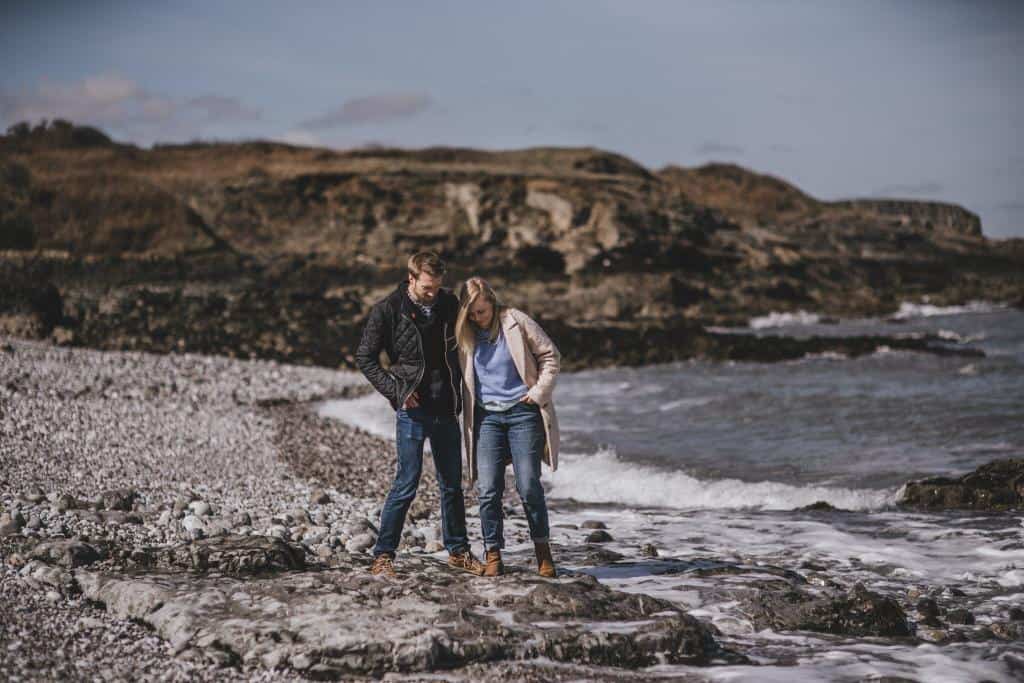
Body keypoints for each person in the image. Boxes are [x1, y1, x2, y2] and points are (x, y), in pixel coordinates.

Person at [355, 252, 484, 577]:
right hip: (412, 411)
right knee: (406, 483)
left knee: (451, 485)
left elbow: (477, 335)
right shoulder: (387, 309)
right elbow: (366, 358)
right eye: (427, 288)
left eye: (437, 287)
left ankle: (458, 552)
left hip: (446, 406)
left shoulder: (449, 303)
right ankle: (383, 557)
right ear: (411, 279)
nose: (433, 293)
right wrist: (397, 391)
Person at [455, 277, 561, 578]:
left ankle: (543, 551)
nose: (478, 319)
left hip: (523, 414)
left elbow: (550, 356)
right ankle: (493, 554)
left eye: (482, 312)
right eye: (472, 314)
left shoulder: (515, 321)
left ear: (493, 303)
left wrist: (538, 393)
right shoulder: (464, 335)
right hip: (486, 419)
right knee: (488, 489)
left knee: (528, 485)